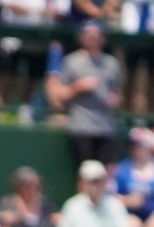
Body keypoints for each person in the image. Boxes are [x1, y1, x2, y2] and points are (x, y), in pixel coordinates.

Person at [48, 23, 123, 167]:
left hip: (106, 127)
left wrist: (114, 100)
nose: (93, 39)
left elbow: (117, 94)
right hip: (82, 127)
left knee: (107, 171)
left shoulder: (111, 63)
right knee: (86, 171)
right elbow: (57, 95)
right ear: (81, 38)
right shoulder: (71, 62)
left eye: (96, 36)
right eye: (89, 35)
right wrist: (77, 87)